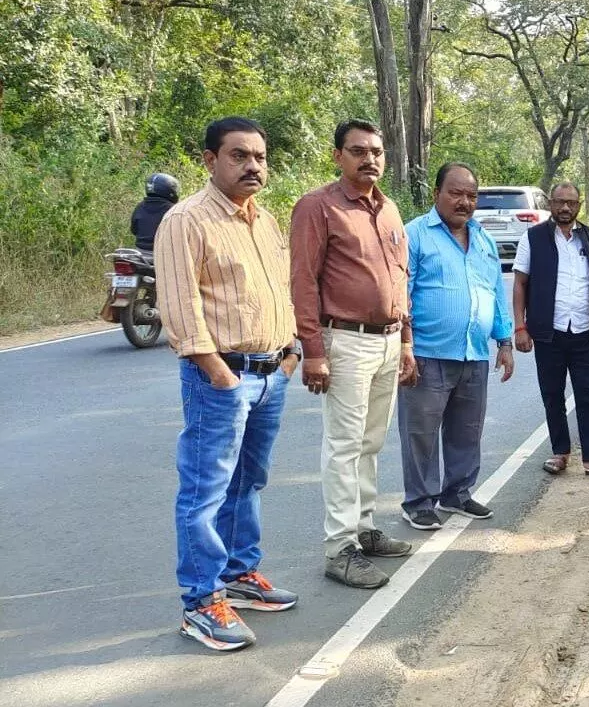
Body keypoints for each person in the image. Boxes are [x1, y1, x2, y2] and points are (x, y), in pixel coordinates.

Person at [155, 117, 301, 652]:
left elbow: (279, 292)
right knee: (204, 489)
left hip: (270, 373)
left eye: (259, 156)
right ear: (209, 160)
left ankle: (241, 574)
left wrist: (289, 353)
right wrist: (219, 374)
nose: (253, 166)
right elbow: (180, 309)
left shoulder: (264, 221)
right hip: (221, 378)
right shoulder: (186, 220)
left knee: (249, 481)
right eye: (239, 155)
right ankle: (200, 601)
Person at [290, 119, 417, 591]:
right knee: (344, 446)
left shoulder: (389, 210)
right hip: (344, 341)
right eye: (358, 150)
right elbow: (303, 281)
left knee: (371, 442)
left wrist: (405, 340)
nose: (370, 159)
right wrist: (313, 351)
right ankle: (339, 548)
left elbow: (400, 279)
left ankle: (363, 529)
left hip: (386, 341)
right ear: (338, 156)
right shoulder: (317, 207)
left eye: (377, 151)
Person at [398, 162, 514, 528]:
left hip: (474, 353)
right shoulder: (415, 234)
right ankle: (419, 501)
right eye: (456, 193)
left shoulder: (484, 240)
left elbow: (495, 292)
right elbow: (402, 294)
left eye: (471, 195)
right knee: (421, 434)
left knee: (468, 430)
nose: (464, 202)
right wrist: (405, 345)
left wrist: (505, 340)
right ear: (437, 194)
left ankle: (457, 494)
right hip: (427, 354)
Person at [512, 181, 589, 478]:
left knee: (588, 397)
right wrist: (521, 327)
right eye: (559, 202)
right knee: (552, 395)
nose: (565, 208)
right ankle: (560, 453)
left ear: (579, 205)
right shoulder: (533, 237)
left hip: (585, 331)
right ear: (550, 203)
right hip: (548, 332)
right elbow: (520, 283)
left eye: (571, 202)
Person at [131, 173, 180, 252]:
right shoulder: (173, 210)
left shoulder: (140, 206)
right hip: (163, 254)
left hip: (140, 253)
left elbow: (134, 230)